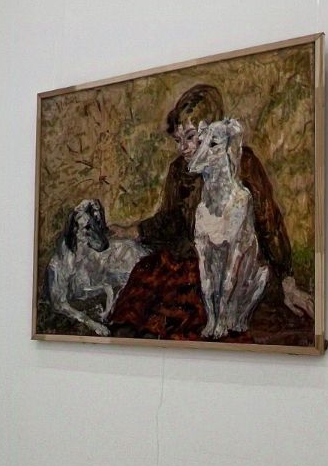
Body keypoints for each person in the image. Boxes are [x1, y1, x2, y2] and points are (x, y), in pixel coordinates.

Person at [108, 84, 314, 342]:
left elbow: (268, 220)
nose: (183, 147)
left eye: (190, 137)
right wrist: (133, 230)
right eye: (178, 140)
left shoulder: (243, 163)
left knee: (194, 317)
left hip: (232, 266)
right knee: (142, 295)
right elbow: (169, 219)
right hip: (191, 259)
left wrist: (287, 280)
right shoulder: (179, 171)